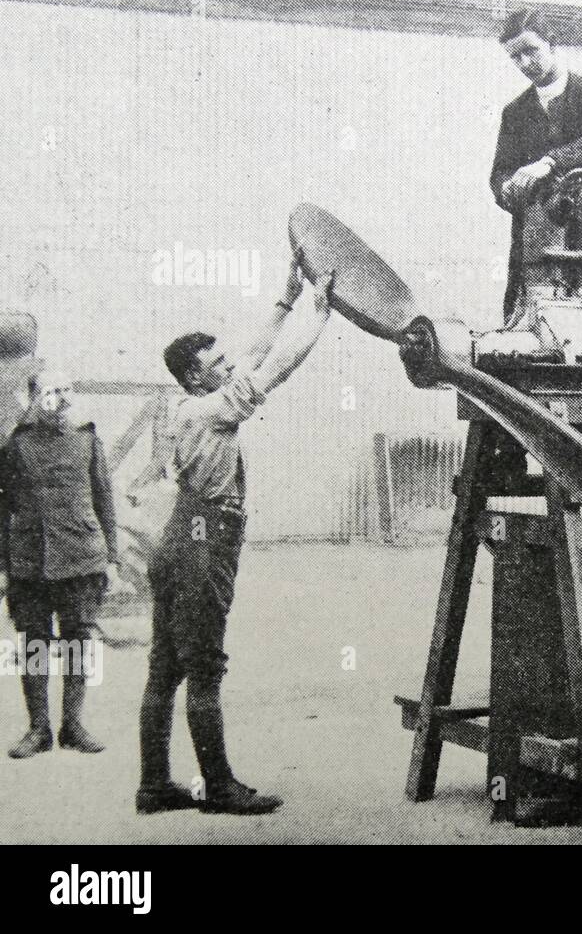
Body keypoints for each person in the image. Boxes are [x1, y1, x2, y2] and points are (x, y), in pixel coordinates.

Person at [136, 261, 333, 815]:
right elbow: (273, 372)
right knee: (203, 668)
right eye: (216, 364)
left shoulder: (191, 401)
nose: (229, 365)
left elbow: (250, 356)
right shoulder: (211, 411)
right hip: (204, 542)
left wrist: (285, 300)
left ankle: (154, 786)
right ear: (197, 377)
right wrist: (318, 318)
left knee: (163, 668)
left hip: (178, 536)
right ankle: (219, 788)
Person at [0, 371, 119, 759]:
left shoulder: (87, 440)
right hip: (29, 561)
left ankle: (73, 725)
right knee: (33, 642)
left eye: (67, 390)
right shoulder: (15, 447)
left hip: (81, 557)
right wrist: (4, 566)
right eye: (51, 391)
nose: (60, 398)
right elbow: (3, 510)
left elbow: (104, 501)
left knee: (79, 641)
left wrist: (112, 559)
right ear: (34, 397)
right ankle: (39, 729)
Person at [490, 8, 582, 327]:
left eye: (530, 51)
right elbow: (500, 172)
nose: (524, 64)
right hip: (535, 235)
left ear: (553, 43)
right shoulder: (515, 112)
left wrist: (548, 163)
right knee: (529, 321)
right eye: (515, 57)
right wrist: (508, 188)